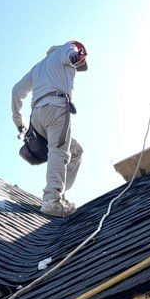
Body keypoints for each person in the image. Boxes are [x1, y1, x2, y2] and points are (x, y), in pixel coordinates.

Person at [12, 41, 88, 216]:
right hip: (56, 107)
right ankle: (52, 201)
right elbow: (69, 53)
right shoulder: (67, 49)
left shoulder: (38, 68)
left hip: (37, 116)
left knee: (76, 151)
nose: (77, 69)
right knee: (59, 152)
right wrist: (75, 56)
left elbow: (16, 91)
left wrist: (19, 122)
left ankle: (58, 194)